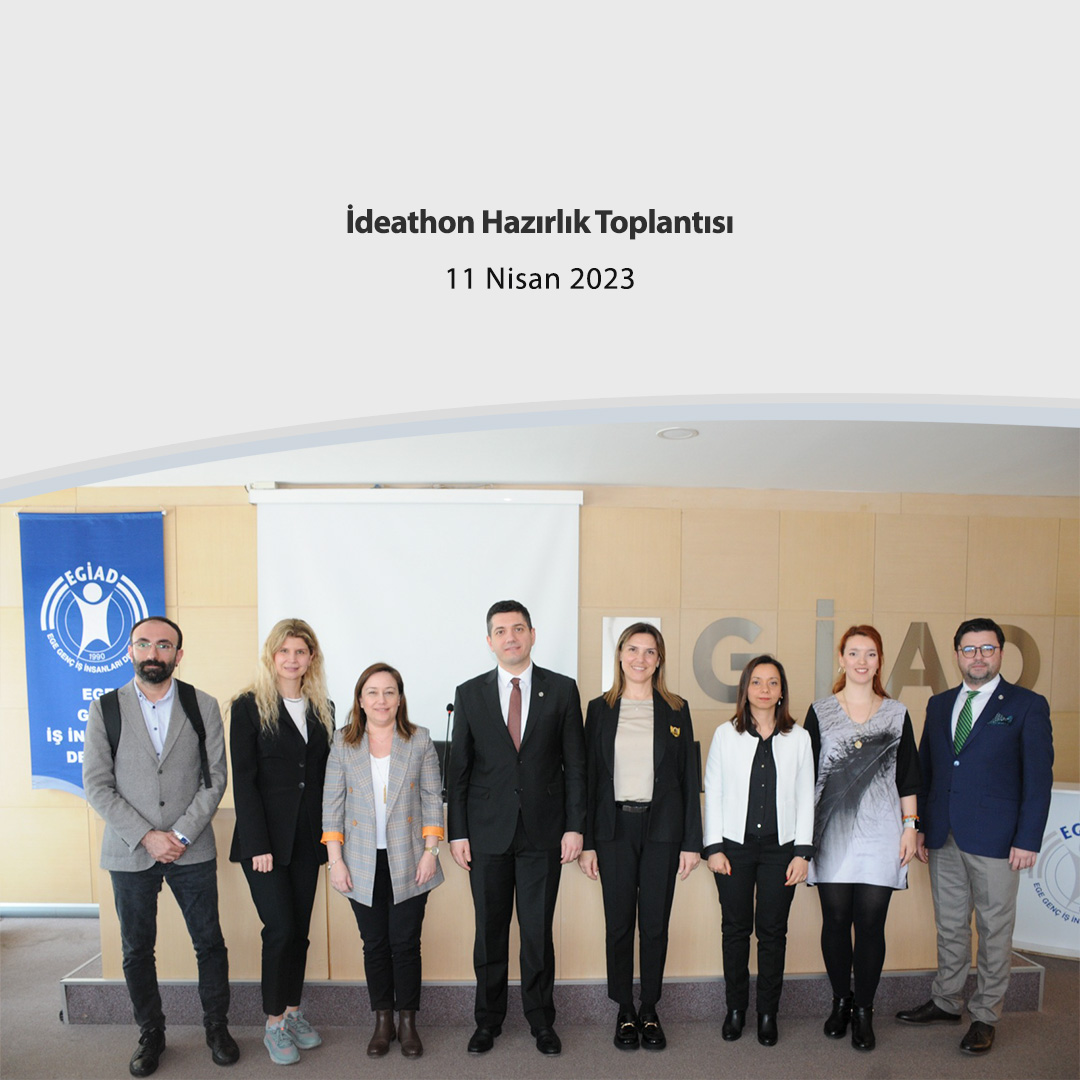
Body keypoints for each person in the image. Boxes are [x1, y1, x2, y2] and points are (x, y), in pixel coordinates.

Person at [82, 616, 238, 1078]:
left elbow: (215, 779)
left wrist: (181, 835)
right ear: (130, 651)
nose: (154, 653)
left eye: (164, 645)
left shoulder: (202, 704)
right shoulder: (105, 709)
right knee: (136, 949)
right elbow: (97, 785)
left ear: (178, 654)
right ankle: (151, 1033)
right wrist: (147, 836)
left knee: (209, 943)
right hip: (130, 849)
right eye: (144, 644)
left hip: (192, 848)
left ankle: (217, 1027)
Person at [896, 618, 1054, 1056]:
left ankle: (985, 1014)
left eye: (987, 649)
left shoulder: (1026, 705)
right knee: (949, 926)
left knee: (994, 929)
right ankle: (947, 1001)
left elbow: (1038, 780)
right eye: (969, 649)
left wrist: (1028, 839)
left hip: (998, 841)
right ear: (957, 655)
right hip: (943, 836)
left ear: (1000, 653)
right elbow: (927, 770)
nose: (978, 657)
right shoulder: (940, 704)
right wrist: (920, 827)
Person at [446, 600, 587, 1057]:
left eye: (519, 628)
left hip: (543, 833)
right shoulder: (469, 693)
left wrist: (575, 827)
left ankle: (541, 1021)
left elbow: (576, 766)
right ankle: (487, 1021)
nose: (511, 637)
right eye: (502, 631)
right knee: (489, 932)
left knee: (536, 933)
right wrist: (457, 832)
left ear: (532, 634)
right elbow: (459, 771)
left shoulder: (562, 690)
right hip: (486, 834)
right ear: (489, 641)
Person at [577, 623, 702, 1052]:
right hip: (613, 830)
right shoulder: (599, 709)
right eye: (633, 649)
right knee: (618, 925)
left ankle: (649, 1007)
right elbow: (589, 777)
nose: (640, 659)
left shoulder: (676, 709)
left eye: (650, 651)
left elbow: (689, 778)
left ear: (659, 659)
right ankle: (624, 1008)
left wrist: (692, 842)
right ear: (619, 655)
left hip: (663, 830)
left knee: (654, 924)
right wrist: (588, 841)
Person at [804, 624, 921, 1053]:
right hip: (830, 833)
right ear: (841, 659)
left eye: (870, 654)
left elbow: (909, 776)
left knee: (870, 924)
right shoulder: (819, 712)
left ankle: (864, 1011)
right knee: (836, 921)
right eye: (854, 653)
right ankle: (841, 1000)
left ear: (879, 661)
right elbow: (804, 776)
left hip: (882, 833)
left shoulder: (897, 713)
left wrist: (911, 826)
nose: (861, 661)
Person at [322, 662, 444, 1059]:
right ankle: (383, 1021)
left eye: (389, 692)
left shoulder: (419, 740)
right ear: (360, 699)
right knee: (374, 944)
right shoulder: (343, 742)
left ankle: (408, 1023)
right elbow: (332, 805)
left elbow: (432, 799)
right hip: (359, 861)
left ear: (400, 698)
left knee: (405, 943)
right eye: (372, 692)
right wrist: (335, 861)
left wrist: (430, 852)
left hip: (410, 860)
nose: (381, 700)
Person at [229, 619, 333, 1065]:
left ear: (311, 658)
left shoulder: (322, 707)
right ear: (271, 656)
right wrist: (258, 844)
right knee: (281, 929)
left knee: (300, 933)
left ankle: (292, 1011)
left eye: (300, 651)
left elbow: (324, 776)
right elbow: (244, 780)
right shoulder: (248, 706)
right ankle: (273, 1023)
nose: (292, 659)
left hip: (308, 840)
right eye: (284, 651)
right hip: (265, 844)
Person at [703, 655, 814, 1047]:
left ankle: (768, 1013)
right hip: (733, 848)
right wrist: (713, 847)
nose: (764, 689)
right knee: (735, 931)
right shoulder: (725, 735)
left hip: (780, 851)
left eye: (772, 682)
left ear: (782, 691)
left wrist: (802, 852)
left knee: (772, 933)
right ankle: (735, 1009)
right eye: (757, 682)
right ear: (745, 689)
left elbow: (806, 796)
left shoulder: (798, 738)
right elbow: (713, 792)